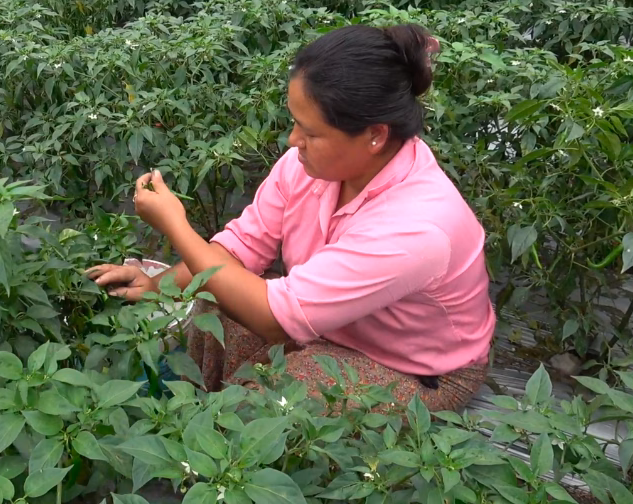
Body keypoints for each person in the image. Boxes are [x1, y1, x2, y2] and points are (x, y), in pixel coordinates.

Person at [87, 23, 496, 414]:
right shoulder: (309, 166)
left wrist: (175, 224)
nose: (293, 140)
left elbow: (274, 321)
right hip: (337, 325)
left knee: (280, 404)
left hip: (416, 369)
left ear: (375, 135)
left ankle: (213, 459)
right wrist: (157, 287)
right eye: (295, 123)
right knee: (216, 302)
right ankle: (194, 409)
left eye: (310, 132)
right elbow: (243, 245)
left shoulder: (417, 227)